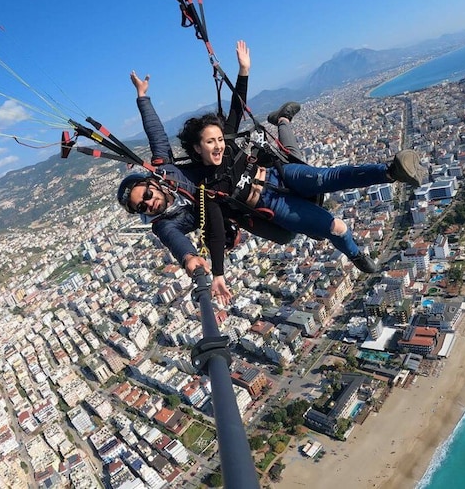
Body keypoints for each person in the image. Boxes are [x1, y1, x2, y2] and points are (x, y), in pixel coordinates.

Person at [177, 40, 425, 301]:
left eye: (219, 139)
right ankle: (355, 254)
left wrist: (244, 70)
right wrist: (218, 273)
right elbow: (215, 231)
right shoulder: (207, 188)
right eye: (209, 142)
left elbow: (236, 108)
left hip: (278, 175)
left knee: (323, 177)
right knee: (337, 228)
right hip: (272, 204)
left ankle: (391, 171)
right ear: (197, 147)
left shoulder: (226, 146)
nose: (217, 146)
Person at [116, 66, 304, 277]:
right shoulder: (163, 224)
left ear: (152, 184)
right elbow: (174, 240)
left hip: (236, 178)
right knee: (286, 235)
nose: (149, 203)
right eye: (142, 206)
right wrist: (189, 257)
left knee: (293, 164)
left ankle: (282, 120)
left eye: (147, 196)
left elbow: (157, 136)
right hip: (236, 208)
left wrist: (142, 96)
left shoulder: (166, 170)